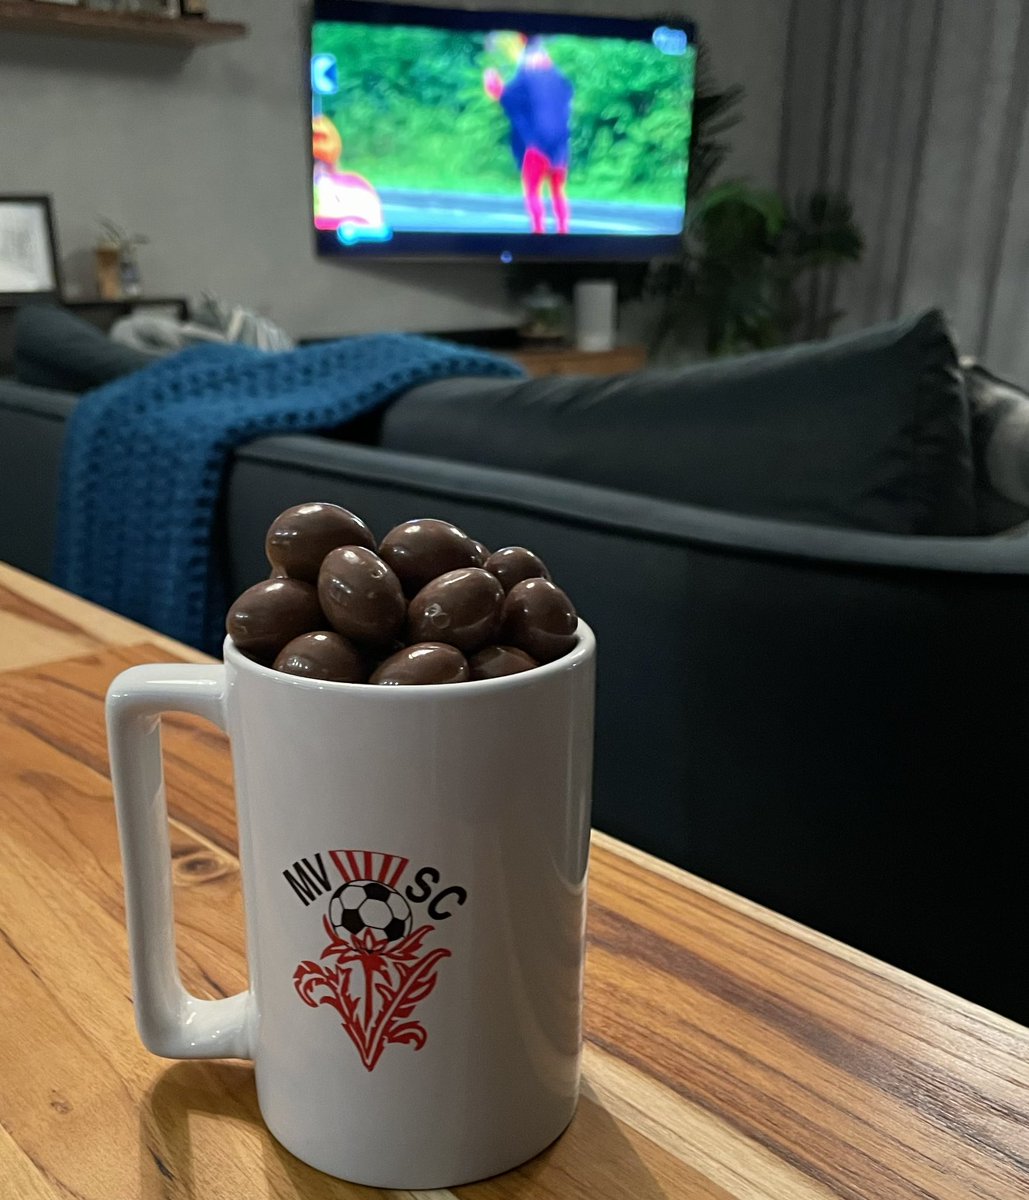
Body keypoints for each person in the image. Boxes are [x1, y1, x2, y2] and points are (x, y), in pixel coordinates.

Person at [484, 36, 574, 235]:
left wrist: (493, 83)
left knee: (533, 190)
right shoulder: (559, 78)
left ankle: (538, 232)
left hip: (537, 145)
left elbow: (507, 98)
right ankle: (563, 231)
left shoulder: (525, 77)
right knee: (558, 192)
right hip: (561, 145)